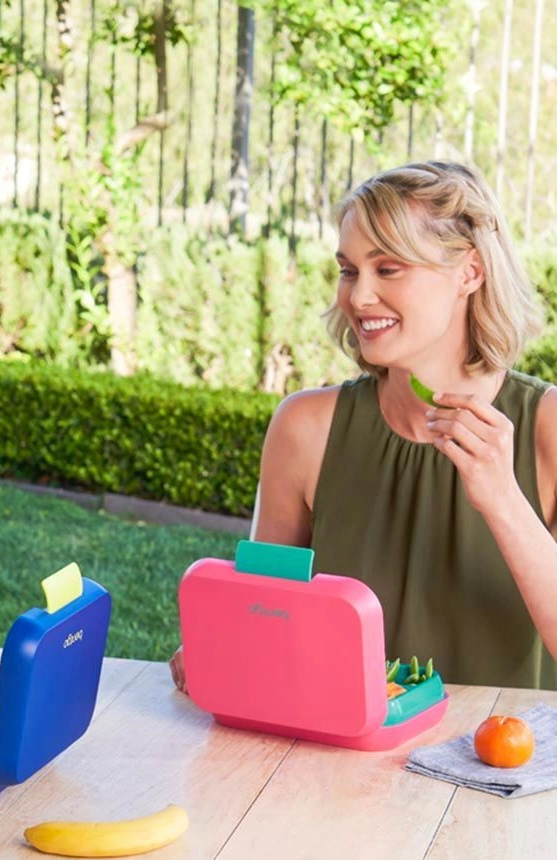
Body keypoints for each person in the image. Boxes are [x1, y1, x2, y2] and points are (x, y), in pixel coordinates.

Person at [171, 159, 557, 694]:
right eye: (349, 270)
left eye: (388, 268)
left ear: (470, 272)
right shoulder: (305, 429)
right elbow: (262, 613)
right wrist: (221, 642)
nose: (357, 297)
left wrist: (502, 498)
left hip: (496, 744)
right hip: (334, 741)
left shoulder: (545, 427)